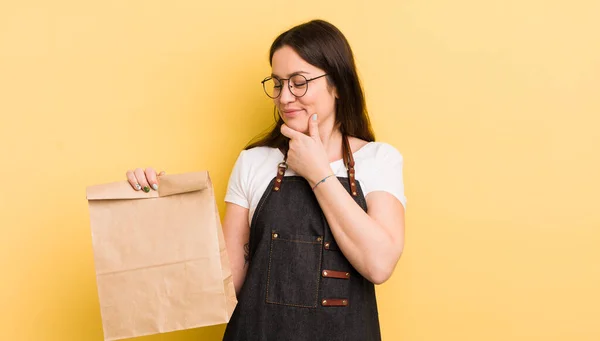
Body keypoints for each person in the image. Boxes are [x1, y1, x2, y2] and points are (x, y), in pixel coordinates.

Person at [125, 19, 406, 341]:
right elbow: (225, 284)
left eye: (299, 82)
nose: (284, 97)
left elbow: (379, 265)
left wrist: (318, 171)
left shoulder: (379, 159)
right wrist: (158, 207)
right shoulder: (254, 162)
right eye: (277, 83)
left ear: (339, 84)